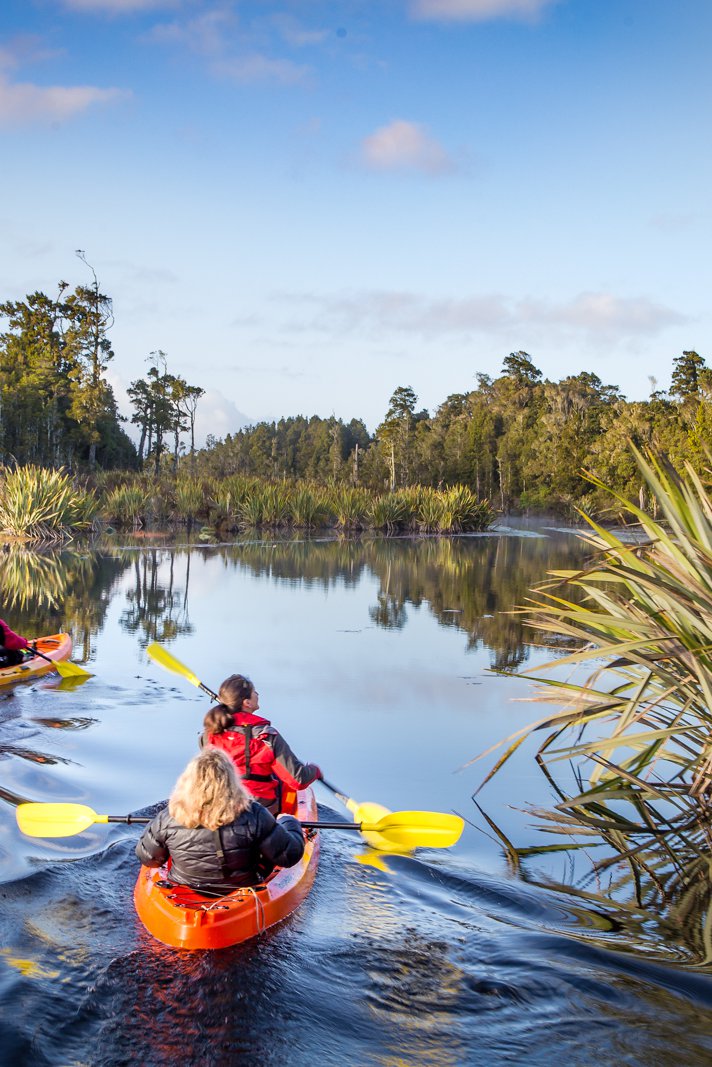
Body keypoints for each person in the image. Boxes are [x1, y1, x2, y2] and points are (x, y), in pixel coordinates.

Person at [135, 748, 305, 893]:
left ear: (188, 781)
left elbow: (149, 859)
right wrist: (289, 821)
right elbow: (288, 856)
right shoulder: (254, 813)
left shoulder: (169, 816)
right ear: (231, 781)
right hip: (243, 887)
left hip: (184, 886)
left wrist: (157, 830)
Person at [203, 674, 322, 815]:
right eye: (255, 692)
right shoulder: (266, 736)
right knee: (285, 782)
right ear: (247, 702)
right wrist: (314, 771)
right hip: (259, 810)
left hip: (220, 805)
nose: (257, 695)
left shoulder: (209, 734)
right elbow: (299, 780)